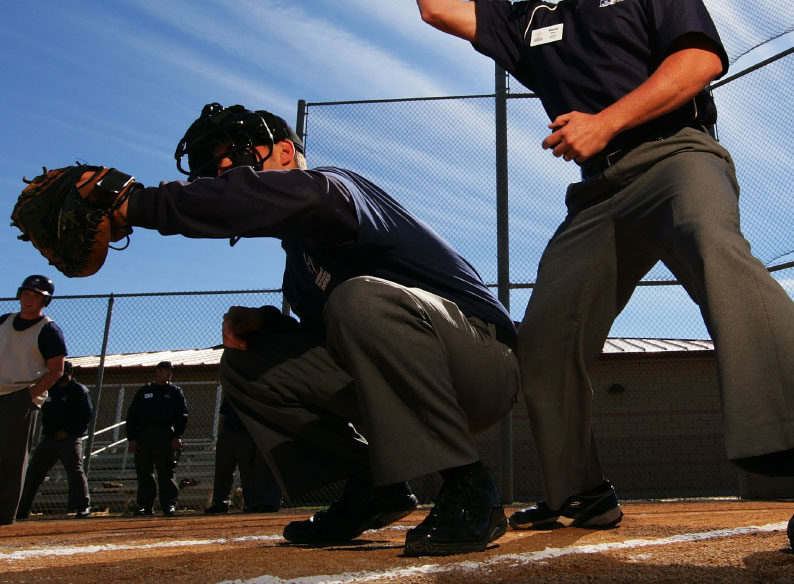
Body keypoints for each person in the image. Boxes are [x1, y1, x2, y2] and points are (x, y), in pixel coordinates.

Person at [413, 0, 794, 555]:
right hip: (596, 194)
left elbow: (698, 60)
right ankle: (578, 491)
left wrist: (605, 122)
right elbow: (437, 8)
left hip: (675, 156)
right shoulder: (532, 21)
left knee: (714, 247)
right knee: (546, 334)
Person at [112, 103, 519, 556]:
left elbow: (287, 209)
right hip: (406, 380)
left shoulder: (332, 187)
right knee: (249, 358)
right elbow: (335, 346)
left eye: (235, 156)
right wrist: (267, 322)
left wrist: (132, 204)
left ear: (285, 152)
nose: (224, 168)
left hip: (483, 360)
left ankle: (468, 484)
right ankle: (374, 484)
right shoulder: (300, 266)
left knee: (357, 298)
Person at [0, 275, 67, 526]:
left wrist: (28, 396)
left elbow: (56, 370)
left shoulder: (48, 330)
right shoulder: (4, 321)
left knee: (12, 456)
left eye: (36, 296)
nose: (29, 300)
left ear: (45, 301)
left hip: (19, 395)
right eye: (26, 294)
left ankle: (4, 513)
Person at [16, 360, 93, 519]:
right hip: (49, 438)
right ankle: (21, 509)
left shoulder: (79, 391)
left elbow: (86, 416)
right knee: (34, 471)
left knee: (75, 471)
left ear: (70, 373)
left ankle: (82, 506)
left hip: (70, 439)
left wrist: (69, 431)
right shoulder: (51, 389)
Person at [125, 360, 188, 516]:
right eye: (166, 370)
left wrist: (177, 435)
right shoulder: (145, 390)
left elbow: (182, 415)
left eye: (170, 371)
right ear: (158, 372)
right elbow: (132, 415)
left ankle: (169, 505)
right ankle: (145, 505)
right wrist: (132, 438)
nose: (169, 373)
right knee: (144, 472)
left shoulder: (174, 391)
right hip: (144, 435)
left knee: (166, 471)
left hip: (164, 434)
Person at [205, 397, 282, 514]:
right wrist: (222, 435)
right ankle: (220, 503)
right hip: (229, 433)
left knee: (247, 472)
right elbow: (223, 415)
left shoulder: (249, 393)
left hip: (246, 434)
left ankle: (250, 503)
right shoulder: (231, 394)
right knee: (223, 471)